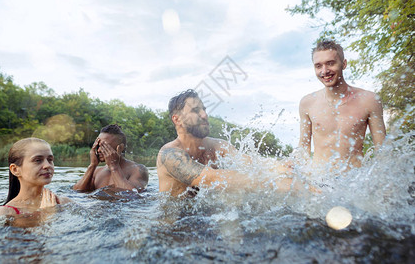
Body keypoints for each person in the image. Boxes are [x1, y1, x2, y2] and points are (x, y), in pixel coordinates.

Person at [157, 89, 301, 197]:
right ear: (177, 120)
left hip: (205, 218)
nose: (204, 115)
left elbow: (249, 162)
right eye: (196, 111)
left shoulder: (217, 146)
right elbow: (213, 179)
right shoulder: (170, 155)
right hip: (175, 228)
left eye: (204, 109)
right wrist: (276, 183)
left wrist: (279, 167)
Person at [298, 39, 386, 171]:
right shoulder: (307, 103)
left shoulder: (369, 100)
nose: (324, 71)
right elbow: (303, 150)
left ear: (343, 64)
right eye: (318, 66)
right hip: (319, 182)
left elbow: (383, 150)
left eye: (330, 63)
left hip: (353, 182)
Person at [0, 138, 70, 217]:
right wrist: (47, 216)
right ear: (15, 169)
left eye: (50, 159)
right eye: (38, 160)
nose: (47, 165)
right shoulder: (4, 213)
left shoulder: (65, 203)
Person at [73, 124, 149, 192]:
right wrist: (92, 165)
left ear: (121, 148)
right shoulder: (96, 172)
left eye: (104, 146)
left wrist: (114, 167)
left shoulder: (138, 170)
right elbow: (77, 192)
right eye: (98, 146)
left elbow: (132, 195)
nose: (99, 150)